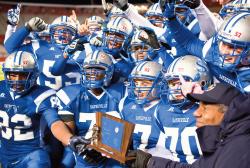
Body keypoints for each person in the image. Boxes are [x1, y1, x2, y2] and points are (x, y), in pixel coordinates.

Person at [0, 51, 92, 168]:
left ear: (34, 75)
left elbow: (55, 123)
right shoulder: (1, 88)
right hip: (5, 154)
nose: (17, 80)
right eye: (12, 74)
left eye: (23, 75)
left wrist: (70, 139)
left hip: (33, 156)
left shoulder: (43, 95)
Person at [127, 83, 250, 168]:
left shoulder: (240, 148)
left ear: (227, 112)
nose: (196, 113)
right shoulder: (226, 139)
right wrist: (148, 162)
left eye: (205, 108)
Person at [56, 50, 126, 167]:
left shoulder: (122, 92)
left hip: (115, 153)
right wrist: (83, 149)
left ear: (109, 72)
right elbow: (68, 137)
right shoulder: (71, 94)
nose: (92, 73)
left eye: (98, 69)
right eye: (89, 69)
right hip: (85, 153)